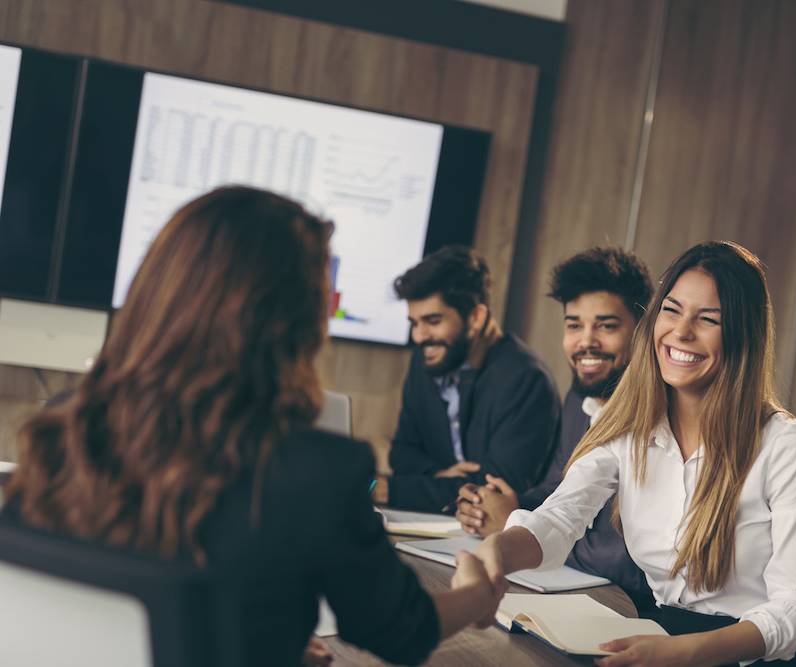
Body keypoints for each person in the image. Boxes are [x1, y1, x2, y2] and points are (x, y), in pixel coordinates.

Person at [0, 187, 502, 667]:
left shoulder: (67, 424)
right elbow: (401, 631)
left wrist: (260, 637)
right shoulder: (315, 470)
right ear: (292, 322)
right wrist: (478, 593)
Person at [474, 241, 796, 667]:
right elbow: (560, 519)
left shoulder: (785, 444)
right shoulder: (630, 425)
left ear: (742, 335)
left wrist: (685, 653)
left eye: (708, 319)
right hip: (656, 636)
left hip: (741, 656)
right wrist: (496, 554)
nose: (681, 332)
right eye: (672, 310)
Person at [454, 247, 655, 603]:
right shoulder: (579, 399)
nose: (586, 341)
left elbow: (631, 559)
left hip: (631, 606)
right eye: (574, 325)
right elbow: (557, 487)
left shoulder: (660, 417)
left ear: (642, 331)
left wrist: (516, 528)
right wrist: (506, 505)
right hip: (570, 590)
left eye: (606, 326)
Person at [375, 245, 560, 513]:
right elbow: (402, 453)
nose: (419, 336)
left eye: (433, 321)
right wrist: (440, 475)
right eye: (414, 323)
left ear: (476, 317)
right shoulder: (426, 360)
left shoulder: (527, 380)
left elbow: (494, 491)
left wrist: (390, 490)